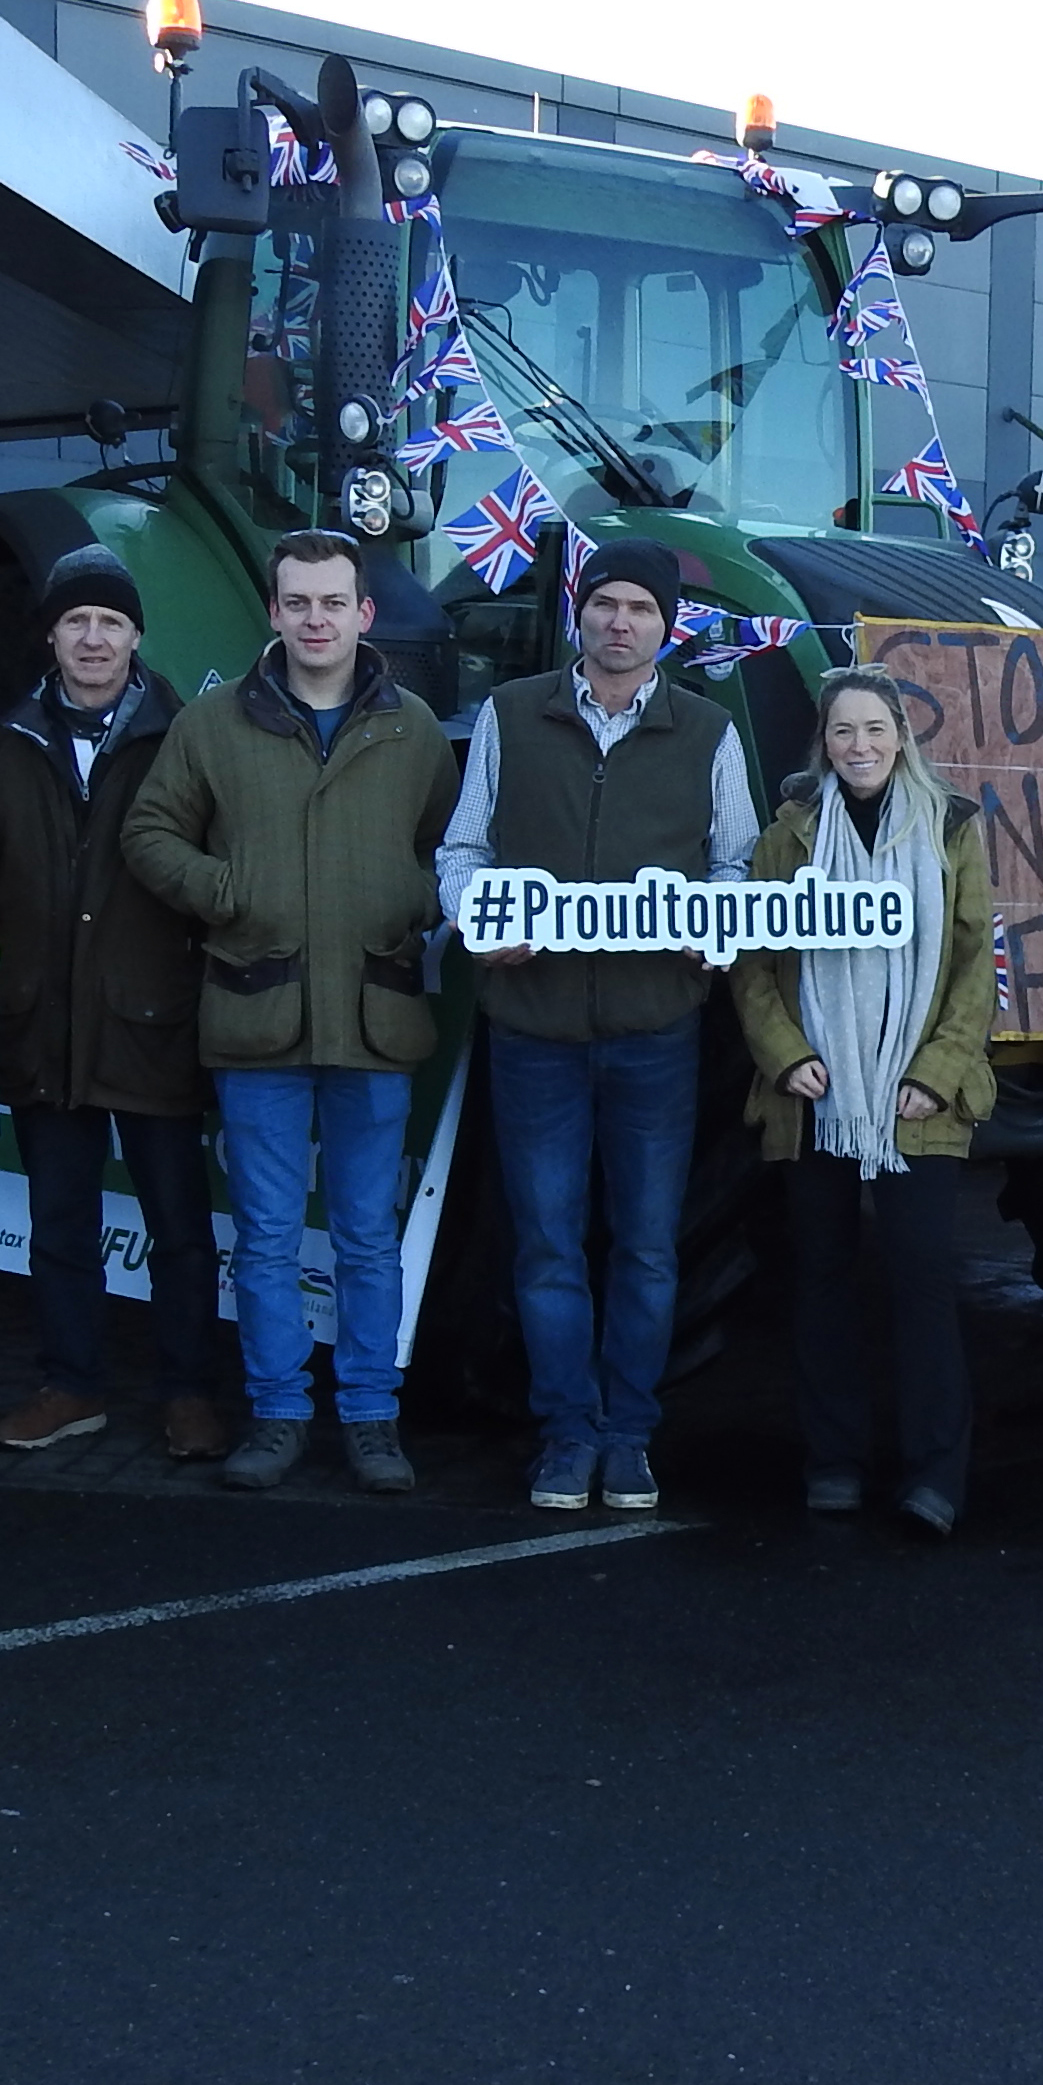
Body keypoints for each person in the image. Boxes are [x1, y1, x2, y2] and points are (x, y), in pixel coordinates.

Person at [434, 539, 760, 1515]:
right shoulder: (508, 715)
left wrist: (721, 934)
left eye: (640, 609)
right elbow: (463, 844)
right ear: (581, 613)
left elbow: (734, 863)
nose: (621, 622)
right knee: (546, 1247)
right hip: (533, 1030)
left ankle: (629, 1437)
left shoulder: (707, 732)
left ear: (668, 627)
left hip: (655, 1030)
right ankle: (566, 1436)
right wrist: (478, 917)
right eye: (606, 604)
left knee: (650, 1247)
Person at [125, 531, 452, 1493]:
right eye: (297, 602)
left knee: (364, 1237)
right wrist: (228, 889)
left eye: (332, 602)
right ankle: (274, 1413)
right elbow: (150, 832)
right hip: (255, 1016)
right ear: (273, 612)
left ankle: (369, 1416)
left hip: (375, 1018)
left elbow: (454, 848)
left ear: (364, 613)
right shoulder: (215, 723)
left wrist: (411, 900)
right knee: (266, 1238)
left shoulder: (415, 729)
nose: (315, 619)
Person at [0, 546, 226, 1458]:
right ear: (51, 634)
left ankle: (189, 1391)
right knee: (60, 1229)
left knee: (180, 1234)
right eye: (76, 620)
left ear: (135, 637)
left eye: (110, 621)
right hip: (46, 1024)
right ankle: (69, 1384)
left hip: (155, 1022)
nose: (91, 637)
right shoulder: (6, 743)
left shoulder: (188, 736)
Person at [729, 670, 1000, 1533]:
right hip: (818, 1096)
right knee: (823, 1280)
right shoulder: (793, 831)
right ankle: (834, 1462)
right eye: (843, 732)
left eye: (875, 729)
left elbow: (972, 968)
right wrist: (788, 1057)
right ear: (824, 741)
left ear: (901, 736)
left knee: (922, 1281)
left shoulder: (952, 826)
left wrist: (936, 1071)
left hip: (918, 1098)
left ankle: (935, 1476)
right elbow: (755, 958)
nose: (860, 747)